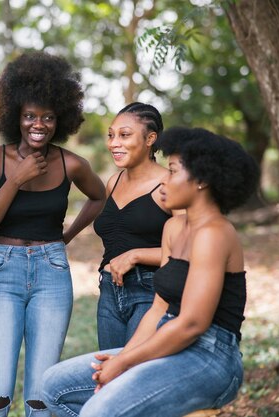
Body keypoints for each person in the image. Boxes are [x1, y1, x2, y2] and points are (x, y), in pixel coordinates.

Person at [42, 127, 260, 417]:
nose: (163, 182)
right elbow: (159, 309)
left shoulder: (215, 234)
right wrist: (124, 357)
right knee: (53, 386)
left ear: (202, 180)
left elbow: (192, 324)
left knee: (98, 412)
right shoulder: (173, 228)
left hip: (211, 357)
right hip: (166, 340)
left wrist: (124, 364)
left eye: (172, 172)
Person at [0, 51, 106, 417]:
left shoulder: (71, 163)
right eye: (30, 115)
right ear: (15, 115)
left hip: (52, 273)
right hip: (3, 272)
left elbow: (99, 196)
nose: (38, 124)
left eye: (48, 117)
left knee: (41, 398)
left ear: (61, 119)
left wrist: (69, 236)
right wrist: (16, 179)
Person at [93, 102, 174, 350]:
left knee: (133, 376)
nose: (113, 143)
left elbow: (189, 252)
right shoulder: (113, 182)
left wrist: (135, 255)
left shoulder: (170, 185)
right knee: (109, 378)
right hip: (109, 291)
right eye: (111, 135)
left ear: (150, 138)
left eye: (124, 135)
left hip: (150, 291)